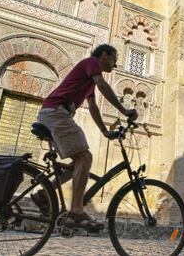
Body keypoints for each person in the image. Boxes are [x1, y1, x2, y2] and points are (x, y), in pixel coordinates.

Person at [31, 44, 137, 229]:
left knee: (76, 165)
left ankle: (44, 195)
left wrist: (104, 131)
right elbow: (103, 85)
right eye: (114, 59)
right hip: (56, 112)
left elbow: (94, 107)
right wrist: (124, 110)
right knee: (85, 157)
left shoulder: (88, 81)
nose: (115, 64)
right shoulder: (91, 63)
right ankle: (76, 212)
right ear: (104, 55)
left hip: (52, 114)